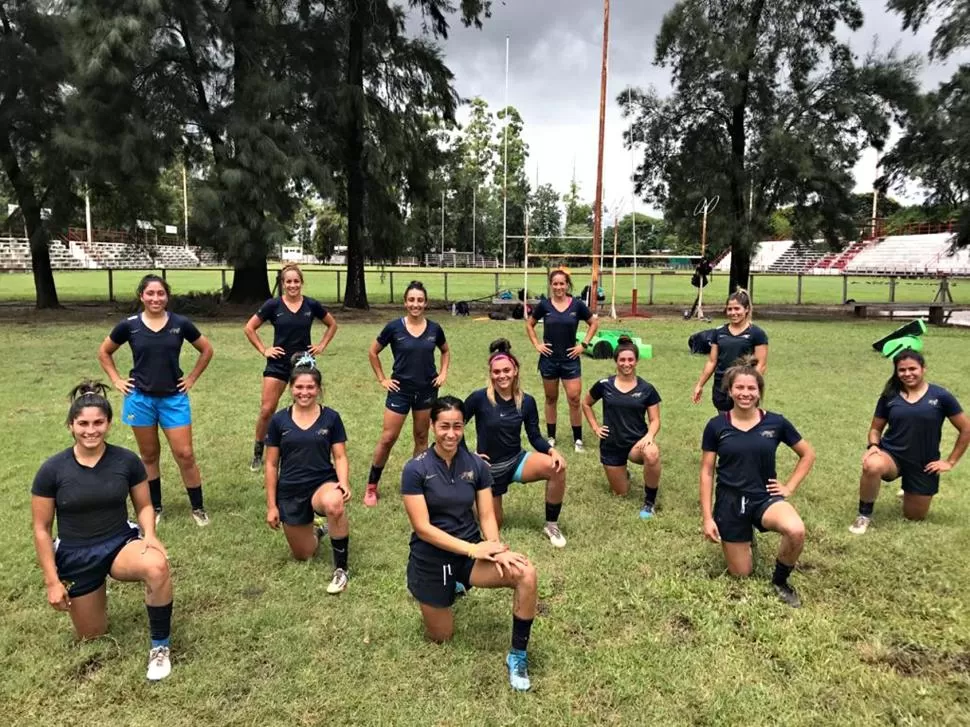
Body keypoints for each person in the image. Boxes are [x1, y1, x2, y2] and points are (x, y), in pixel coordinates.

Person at [31, 382, 174, 681]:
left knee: (157, 565)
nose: (90, 430)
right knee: (91, 636)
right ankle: (93, 589)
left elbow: (145, 505)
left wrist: (149, 533)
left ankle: (160, 647)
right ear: (71, 425)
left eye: (98, 422)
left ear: (109, 423)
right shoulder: (52, 470)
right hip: (75, 553)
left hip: (119, 543)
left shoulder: (126, 461)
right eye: (82, 423)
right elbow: (42, 529)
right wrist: (52, 582)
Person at [401, 396, 538, 692]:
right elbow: (422, 528)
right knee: (442, 637)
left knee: (526, 572)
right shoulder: (415, 469)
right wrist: (473, 549)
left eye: (457, 426)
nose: (451, 434)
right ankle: (442, 588)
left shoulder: (476, 465)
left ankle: (517, 655)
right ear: (433, 426)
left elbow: (487, 514)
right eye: (444, 426)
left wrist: (495, 546)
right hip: (432, 559)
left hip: (469, 555)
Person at [98, 275, 214, 526]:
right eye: (150, 293)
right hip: (140, 399)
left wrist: (192, 378)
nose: (155, 298)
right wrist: (117, 379)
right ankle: (155, 506)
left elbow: (207, 349)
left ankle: (198, 507)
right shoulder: (129, 326)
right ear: (141, 296)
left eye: (160, 293)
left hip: (174, 399)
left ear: (167, 296)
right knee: (149, 455)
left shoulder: (180, 323)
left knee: (185, 454)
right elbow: (104, 351)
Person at [699, 357, 815, 608]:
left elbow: (807, 454)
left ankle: (780, 582)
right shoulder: (716, 426)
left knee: (795, 530)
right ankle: (744, 535)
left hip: (765, 497)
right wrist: (708, 518)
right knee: (741, 573)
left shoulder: (776, 422)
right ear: (730, 390)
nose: (745, 393)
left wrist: (789, 487)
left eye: (751, 388)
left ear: (759, 392)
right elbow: (707, 472)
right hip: (730, 502)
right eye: (739, 388)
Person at [849, 350, 970, 535]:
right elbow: (875, 429)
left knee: (915, 517)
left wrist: (950, 462)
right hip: (892, 456)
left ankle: (908, 491)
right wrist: (873, 446)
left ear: (923, 369)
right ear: (896, 372)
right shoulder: (890, 396)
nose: (907, 374)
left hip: (924, 463)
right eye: (902, 370)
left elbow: (966, 429)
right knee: (872, 465)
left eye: (912, 368)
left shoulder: (941, 396)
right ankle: (864, 515)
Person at [463, 339, 568, 547]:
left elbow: (534, 436)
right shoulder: (479, 398)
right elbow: (455, 427)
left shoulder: (526, 401)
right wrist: (468, 456)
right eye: (496, 372)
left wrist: (551, 451)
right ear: (490, 374)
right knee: (495, 524)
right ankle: (469, 498)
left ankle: (551, 524)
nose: (502, 375)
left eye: (506, 370)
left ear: (516, 371)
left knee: (556, 468)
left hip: (516, 461)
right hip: (489, 469)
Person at [264, 354, 350, 593]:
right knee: (304, 554)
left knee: (334, 503)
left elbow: (340, 456)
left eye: (310, 387)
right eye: (299, 387)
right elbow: (271, 465)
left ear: (318, 389)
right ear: (291, 388)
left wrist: (342, 483)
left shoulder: (331, 417)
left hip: (322, 483)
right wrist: (272, 506)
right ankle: (318, 531)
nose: (305, 392)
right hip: (291, 489)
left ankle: (341, 569)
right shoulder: (279, 420)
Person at [244, 263, 339, 472]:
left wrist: (321, 345)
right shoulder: (273, 305)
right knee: (267, 409)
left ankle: (306, 448)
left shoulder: (311, 305)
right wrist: (264, 350)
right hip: (278, 363)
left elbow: (332, 324)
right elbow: (249, 328)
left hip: (303, 364)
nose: (292, 285)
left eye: (296, 281)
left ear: (301, 283)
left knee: (306, 407)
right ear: (282, 283)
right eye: (288, 281)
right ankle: (259, 451)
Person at [364, 281, 450, 507]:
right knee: (388, 438)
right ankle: (372, 486)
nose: (415, 304)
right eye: (411, 300)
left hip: (426, 390)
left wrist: (443, 373)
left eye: (420, 300)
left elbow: (445, 350)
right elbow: (373, 352)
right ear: (405, 302)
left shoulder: (434, 329)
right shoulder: (394, 328)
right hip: (400, 391)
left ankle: (414, 485)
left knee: (421, 438)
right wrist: (383, 379)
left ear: (426, 303)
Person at [582, 336, 663, 519]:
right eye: (622, 360)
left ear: (636, 361)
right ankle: (622, 473)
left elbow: (655, 419)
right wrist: (595, 427)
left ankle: (649, 502)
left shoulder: (647, 389)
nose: (626, 364)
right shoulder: (604, 385)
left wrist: (649, 436)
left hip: (637, 443)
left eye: (630, 360)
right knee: (621, 494)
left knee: (652, 453)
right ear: (616, 361)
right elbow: (586, 404)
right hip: (612, 444)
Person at [525, 268, 599, 452]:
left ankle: (578, 440)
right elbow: (530, 324)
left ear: (567, 285)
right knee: (551, 398)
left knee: (574, 398)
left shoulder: (577, 305)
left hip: (570, 360)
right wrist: (537, 344)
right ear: (551, 285)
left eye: (562, 283)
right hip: (549, 359)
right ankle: (551, 437)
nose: (558, 287)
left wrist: (583, 344)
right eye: (555, 283)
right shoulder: (544, 305)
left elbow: (594, 323)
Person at [692, 289, 767, 412]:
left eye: (737, 309)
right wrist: (699, 385)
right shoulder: (719, 332)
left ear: (746, 309)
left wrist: (750, 386)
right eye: (730, 309)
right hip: (721, 387)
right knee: (724, 423)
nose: (733, 313)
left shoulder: (757, 333)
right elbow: (712, 361)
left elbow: (761, 365)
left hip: (743, 388)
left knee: (744, 425)